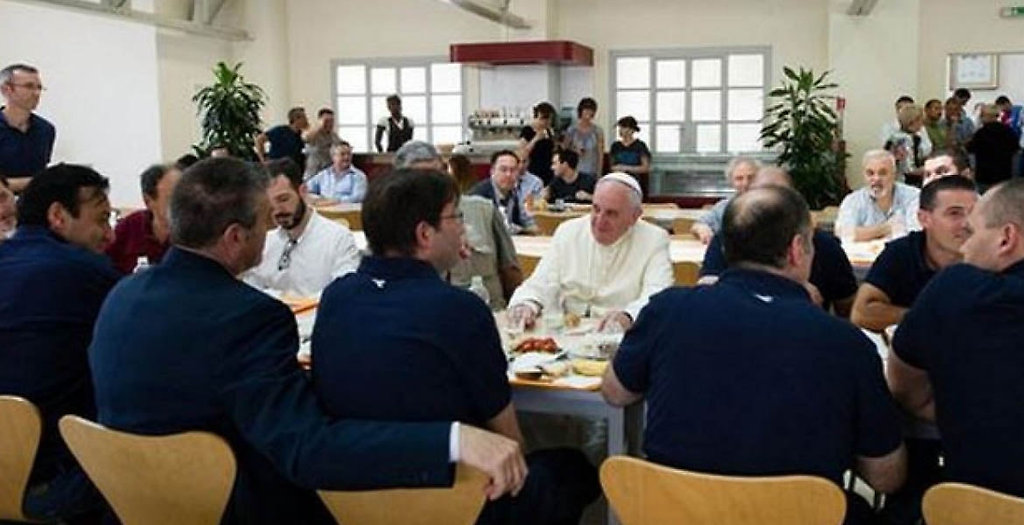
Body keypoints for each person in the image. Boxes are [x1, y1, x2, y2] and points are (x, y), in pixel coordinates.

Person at [88, 157, 528, 525]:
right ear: (235, 237)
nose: (271, 230)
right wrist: (454, 439)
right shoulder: (249, 318)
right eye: (264, 222)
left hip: (132, 501)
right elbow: (309, 449)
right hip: (233, 507)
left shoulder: (121, 296)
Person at [603, 185, 907, 525]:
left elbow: (615, 392)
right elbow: (886, 476)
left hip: (674, 512)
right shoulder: (846, 344)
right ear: (797, 249)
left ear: (726, 247)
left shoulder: (666, 311)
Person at [311, 168, 600, 524]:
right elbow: (509, 439)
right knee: (574, 469)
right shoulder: (460, 310)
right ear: (424, 234)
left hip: (350, 495)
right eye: (456, 217)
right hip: (453, 499)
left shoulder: (336, 297)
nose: (463, 227)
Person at [852, 174, 976, 525]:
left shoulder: (991, 255)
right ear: (924, 218)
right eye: (954, 213)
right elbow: (863, 311)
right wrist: (928, 318)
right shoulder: (903, 253)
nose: (967, 224)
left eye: (974, 213)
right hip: (912, 384)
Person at [890, 178, 1024, 498]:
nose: (964, 247)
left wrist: (973, 415)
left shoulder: (955, 290)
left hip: (977, 505)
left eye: (972, 233)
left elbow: (905, 388)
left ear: (1006, 238)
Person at [0, 164, 118, 522]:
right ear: (58, 216)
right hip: (55, 474)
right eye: (102, 219)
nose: (110, 234)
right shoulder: (85, 273)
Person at [508, 173, 673, 332]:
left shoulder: (653, 239)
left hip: (618, 335)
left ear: (634, 216)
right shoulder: (569, 231)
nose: (599, 220)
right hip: (565, 330)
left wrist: (628, 316)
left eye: (611, 213)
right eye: (596, 209)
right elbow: (541, 281)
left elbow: (657, 294)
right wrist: (526, 303)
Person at [700, 166, 857, 317]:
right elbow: (707, 289)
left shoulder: (824, 245)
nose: (771, 204)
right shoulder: (729, 236)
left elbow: (848, 309)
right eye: (762, 195)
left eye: (781, 195)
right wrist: (787, 289)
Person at [394, 140, 522, 309]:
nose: (428, 186)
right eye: (418, 179)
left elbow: (510, 271)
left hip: (488, 313)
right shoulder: (393, 224)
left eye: (435, 175)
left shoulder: (483, 210)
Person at [244, 158, 359, 297]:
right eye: (269, 204)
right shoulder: (266, 240)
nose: (277, 210)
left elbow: (343, 293)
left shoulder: (338, 239)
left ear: (303, 191)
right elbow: (251, 286)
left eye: (283, 199)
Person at [105, 164, 182, 274]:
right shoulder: (129, 228)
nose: (183, 204)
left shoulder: (197, 232)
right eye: (173, 199)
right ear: (148, 201)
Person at [835, 150, 920, 242]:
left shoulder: (913, 197)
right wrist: (886, 228)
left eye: (882, 173)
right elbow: (844, 234)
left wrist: (864, 234)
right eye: (870, 173)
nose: (876, 179)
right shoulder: (853, 200)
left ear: (894, 175)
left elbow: (916, 235)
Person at [0, 63, 55, 192]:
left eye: (39, 88)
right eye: (29, 86)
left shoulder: (46, 129)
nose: (36, 93)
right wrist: (36, 182)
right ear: (6, 90)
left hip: (33, 202)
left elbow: (41, 171)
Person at [691, 156, 761, 243]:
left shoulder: (772, 205)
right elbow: (699, 224)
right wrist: (702, 228)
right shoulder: (723, 207)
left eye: (751, 177)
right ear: (732, 182)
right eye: (739, 178)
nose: (745, 183)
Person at [470, 149, 537, 235]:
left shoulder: (513, 193)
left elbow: (518, 222)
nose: (508, 174)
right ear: (492, 171)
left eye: (513, 170)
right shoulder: (478, 196)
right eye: (503, 170)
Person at [967, 104, 1020, 192]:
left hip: (984, 176)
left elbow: (971, 151)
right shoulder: (1008, 131)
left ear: (986, 116)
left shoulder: (980, 133)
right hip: (1004, 175)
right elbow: (1016, 152)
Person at [883, 103, 931, 184]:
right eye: (921, 119)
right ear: (913, 121)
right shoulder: (903, 140)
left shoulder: (897, 137)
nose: (923, 122)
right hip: (904, 182)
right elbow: (909, 170)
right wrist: (930, 168)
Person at [563, 97, 605, 179]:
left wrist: (599, 173)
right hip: (575, 171)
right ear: (580, 111)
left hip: (592, 171)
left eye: (591, 110)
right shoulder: (572, 130)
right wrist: (574, 149)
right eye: (586, 109)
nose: (589, 112)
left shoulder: (598, 131)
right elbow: (565, 149)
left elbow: (600, 154)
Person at [518, 101, 557, 185]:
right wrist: (536, 139)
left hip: (548, 170)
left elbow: (552, 149)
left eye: (549, 119)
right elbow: (522, 153)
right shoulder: (527, 131)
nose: (546, 122)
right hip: (533, 169)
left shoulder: (549, 131)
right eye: (543, 119)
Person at [609, 116, 650, 194]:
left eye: (623, 128)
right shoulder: (615, 146)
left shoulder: (640, 145)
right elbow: (612, 166)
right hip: (619, 181)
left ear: (631, 130)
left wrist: (626, 168)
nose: (620, 130)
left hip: (635, 182)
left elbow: (645, 168)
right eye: (620, 128)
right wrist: (617, 169)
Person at [302, 107, 342, 179]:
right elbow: (306, 137)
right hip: (313, 174)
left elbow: (341, 148)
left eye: (332, 121)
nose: (330, 123)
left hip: (328, 174)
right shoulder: (314, 133)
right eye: (327, 121)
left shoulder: (334, 136)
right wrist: (320, 125)